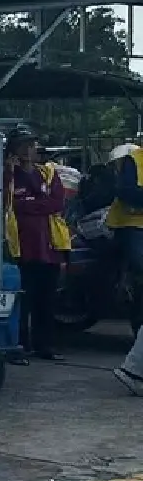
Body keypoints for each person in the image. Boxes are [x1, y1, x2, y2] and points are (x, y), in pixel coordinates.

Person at [4, 128, 69, 364]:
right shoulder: (8, 174)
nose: (30, 149)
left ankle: (45, 345)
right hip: (21, 246)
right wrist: (33, 202)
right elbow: (11, 204)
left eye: (32, 145)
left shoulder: (48, 173)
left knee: (47, 298)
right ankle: (20, 345)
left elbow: (56, 202)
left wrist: (30, 203)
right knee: (24, 298)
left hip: (49, 245)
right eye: (24, 145)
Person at [102, 140, 143, 335]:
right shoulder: (133, 160)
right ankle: (139, 324)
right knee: (140, 269)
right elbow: (127, 192)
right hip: (131, 225)